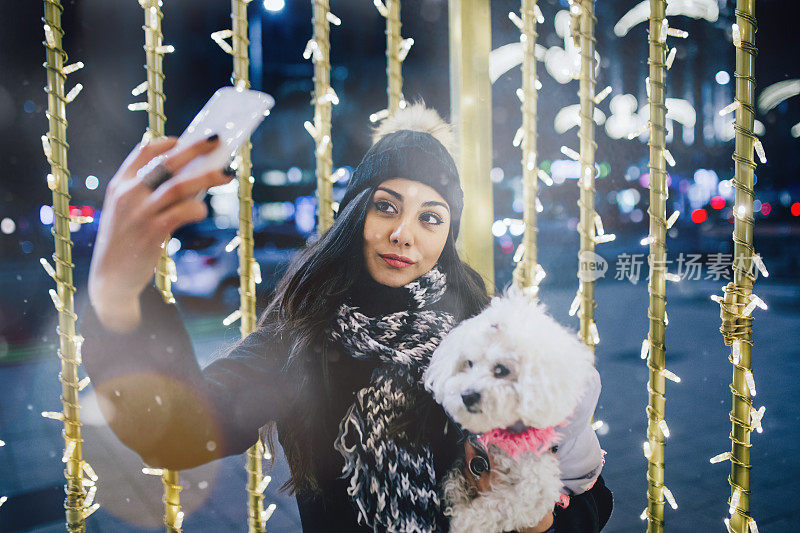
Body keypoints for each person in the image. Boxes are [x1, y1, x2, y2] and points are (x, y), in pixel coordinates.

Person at [80, 103, 611, 532]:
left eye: (431, 217)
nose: (404, 233)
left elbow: (586, 493)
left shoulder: (484, 336)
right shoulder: (300, 341)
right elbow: (179, 431)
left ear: (447, 235)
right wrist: (119, 301)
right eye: (386, 206)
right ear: (356, 214)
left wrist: (540, 522)